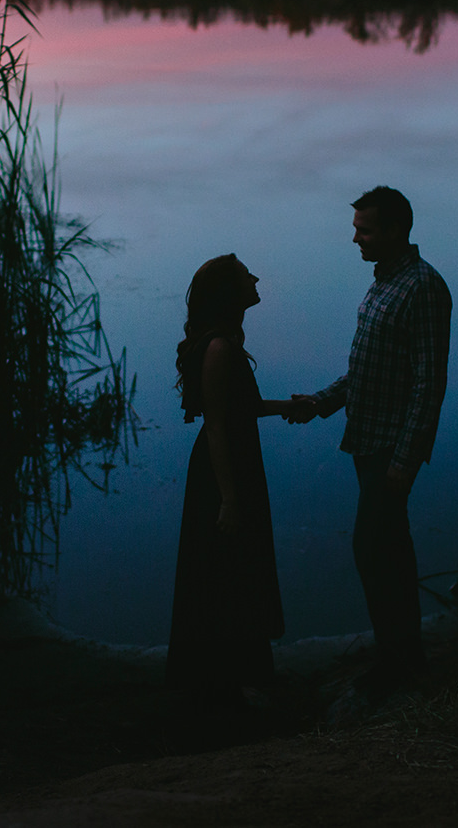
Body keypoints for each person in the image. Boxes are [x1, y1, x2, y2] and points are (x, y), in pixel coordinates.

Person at [287, 186, 451, 694]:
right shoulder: (386, 280)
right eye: (357, 227)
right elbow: (369, 367)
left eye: (365, 229)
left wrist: (405, 460)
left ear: (397, 231)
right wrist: (322, 401)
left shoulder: (422, 288)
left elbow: (428, 381)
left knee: (376, 551)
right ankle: (404, 658)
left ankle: (400, 664)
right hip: (368, 439)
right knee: (386, 551)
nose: (355, 238)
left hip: (389, 449)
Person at [168, 254, 297, 706]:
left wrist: (296, 405)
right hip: (225, 469)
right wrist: (228, 497)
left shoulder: (225, 342)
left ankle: (239, 677)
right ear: (229, 292)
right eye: (246, 274)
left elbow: (245, 408)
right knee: (227, 568)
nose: (256, 277)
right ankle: (228, 683)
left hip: (236, 463)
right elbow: (219, 424)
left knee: (237, 565)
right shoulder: (219, 347)